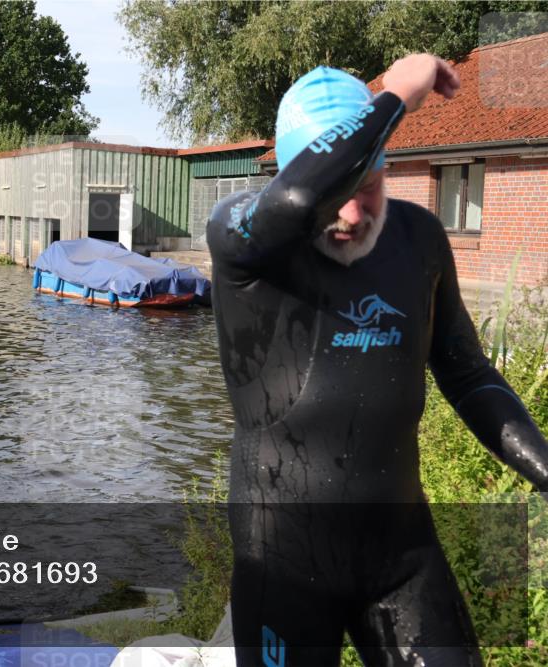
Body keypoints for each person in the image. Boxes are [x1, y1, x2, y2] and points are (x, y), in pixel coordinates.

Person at [205, 54, 548, 666]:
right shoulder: (242, 237)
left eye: (368, 187)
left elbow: (467, 373)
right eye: (337, 193)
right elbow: (301, 196)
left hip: (399, 553)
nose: (352, 214)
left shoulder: (418, 239)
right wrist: (396, 97)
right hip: (282, 560)